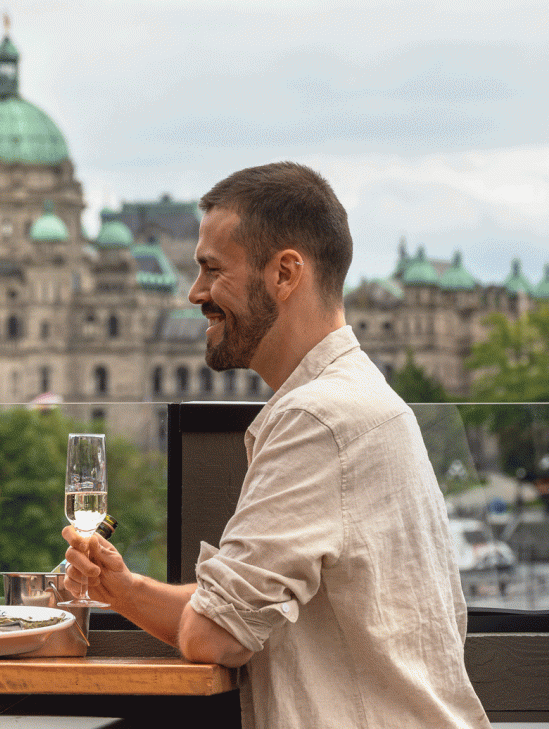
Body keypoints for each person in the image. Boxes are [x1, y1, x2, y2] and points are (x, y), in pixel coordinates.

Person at [62, 162, 490, 728]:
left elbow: (216, 635)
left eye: (212, 270)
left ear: (286, 274)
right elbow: (233, 613)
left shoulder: (318, 418)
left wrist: (187, 613)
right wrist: (122, 589)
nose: (195, 293)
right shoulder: (354, 396)